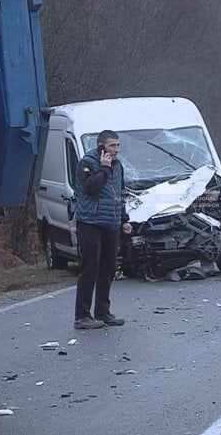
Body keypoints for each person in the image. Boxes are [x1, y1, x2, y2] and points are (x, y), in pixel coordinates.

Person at [73, 130, 133, 329]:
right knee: (90, 268)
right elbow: (91, 187)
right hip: (90, 222)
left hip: (111, 223)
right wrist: (105, 169)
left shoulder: (119, 166)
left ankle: (103, 311)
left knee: (108, 269)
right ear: (102, 147)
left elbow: (120, 193)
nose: (117, 150)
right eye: (112, 146)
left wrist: (124, 218)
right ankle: (82, 316)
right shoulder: (87, 163)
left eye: (118, 145)